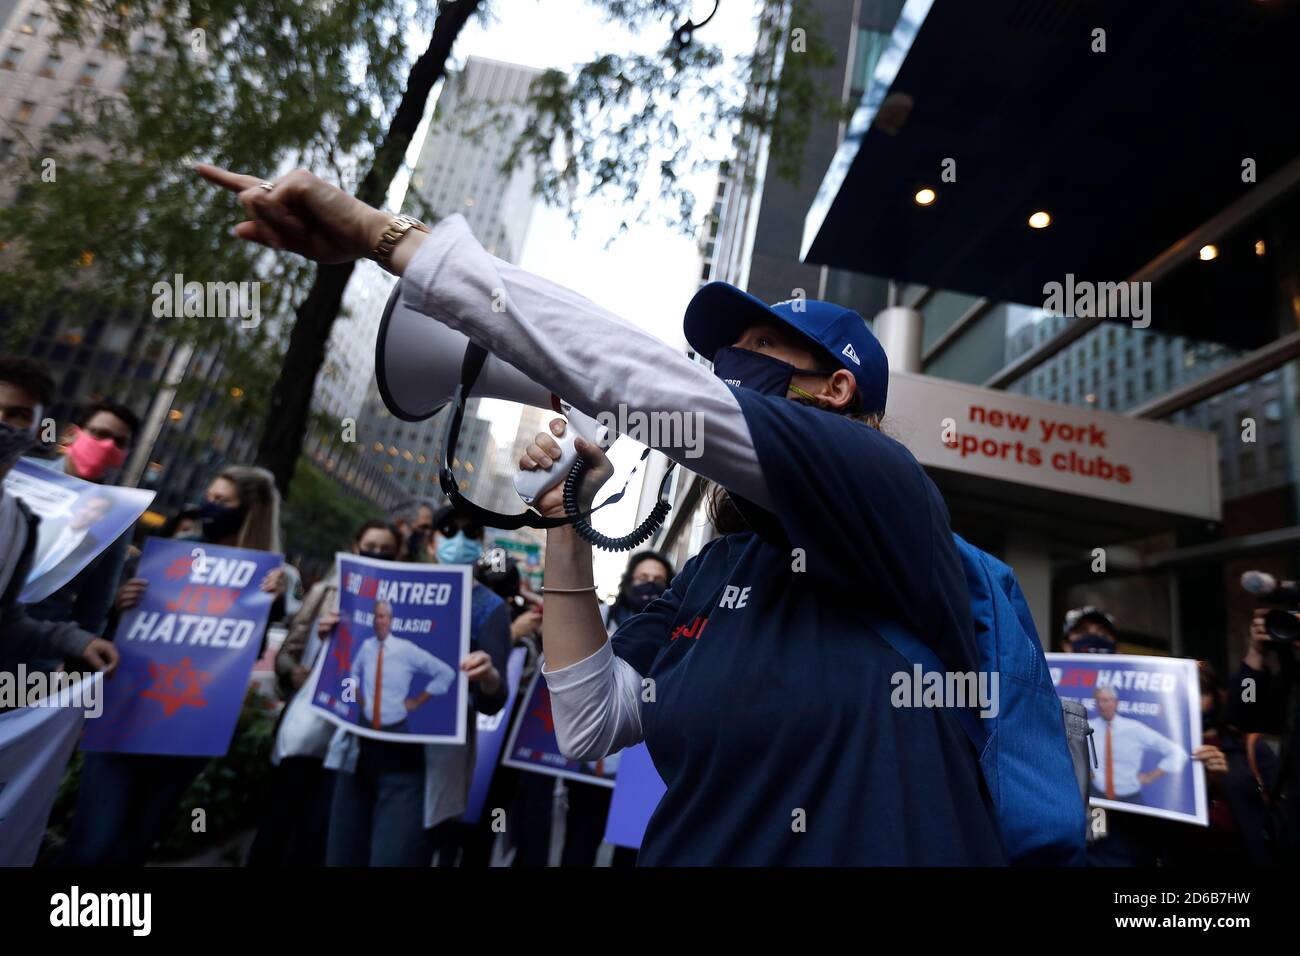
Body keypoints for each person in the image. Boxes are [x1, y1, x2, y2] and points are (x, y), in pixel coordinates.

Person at [198, 164, 1006, 865]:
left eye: (762, 347)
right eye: (726, 356)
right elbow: (591, 720)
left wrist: (387, 237)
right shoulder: (720, 573)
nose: (731, 367)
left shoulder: (887, 489)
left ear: (839, 388)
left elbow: (662, 391)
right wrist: (563, 524)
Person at [59, 465, 287, 866]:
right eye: (210, 496)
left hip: (187, 728)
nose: (208, 506)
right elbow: (119, 638)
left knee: (135, 844)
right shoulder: (179, 551)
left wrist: (269, 603)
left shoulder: (264, 580)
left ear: (249, 511)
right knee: (94, 843)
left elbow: (244, 656)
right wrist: (121, 605)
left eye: (222, 501)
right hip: (127, 712)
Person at [323, 502, 511, 866]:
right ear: (430, 544)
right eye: (449, 531)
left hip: (421, 769)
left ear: (482, 543)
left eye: (471, 533)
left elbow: (493, 700)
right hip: (360, 752)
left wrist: (487, 676)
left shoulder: (490, 607)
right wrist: (333, 636)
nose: (460, 540)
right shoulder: (391, 587)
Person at [250, 519, 403, 867]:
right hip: (310, 727)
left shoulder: (402, 603)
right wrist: (302, 666)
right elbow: (289, 650)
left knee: (320, 831)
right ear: (355, 547)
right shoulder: (328, 592)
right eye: (370, 546)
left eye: (386, 550)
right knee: (279, 821)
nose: (376, 553)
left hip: (358, 736)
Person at [0, 357, 119, 679]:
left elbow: (6, 625)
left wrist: (76, 641)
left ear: (38, 431)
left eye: (17, 415)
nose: (3, 422)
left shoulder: (19, 524)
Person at [24, 399, 140, 639]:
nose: (108, 445)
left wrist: (78, 654)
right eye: (100, 434)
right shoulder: (23, 473)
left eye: (119, 442)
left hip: (41, 644)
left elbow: (98, 595)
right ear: (72, 434)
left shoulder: (118, 512)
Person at [1088, 685, 1188, 805]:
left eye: (1105, 700)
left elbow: (1178, 753)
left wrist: (1151, 776)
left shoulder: (1135, 729)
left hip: (1129, 799)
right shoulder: (1088, 727)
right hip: (1096, 795)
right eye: (1097, 701)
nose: (1101, 705)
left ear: (1116, 703)